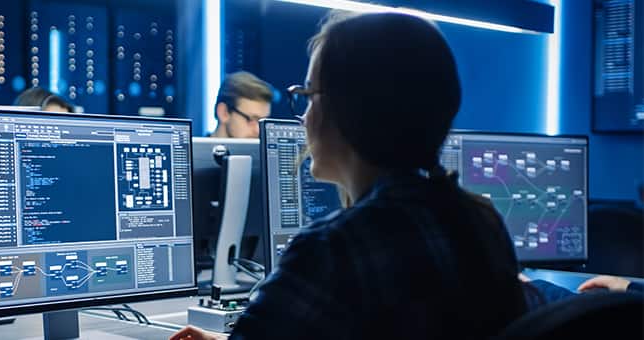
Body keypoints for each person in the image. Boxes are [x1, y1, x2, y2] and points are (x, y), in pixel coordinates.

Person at [172, 11, 527, 340]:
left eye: (309, 96)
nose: (304, 118)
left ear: (348, 111)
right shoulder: (480, 222)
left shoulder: (333, 249)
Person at [210, 71, 272, 138]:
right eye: (251, 119)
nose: (258, 131)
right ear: (223, 112)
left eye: (263, 124)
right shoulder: (197, 148)